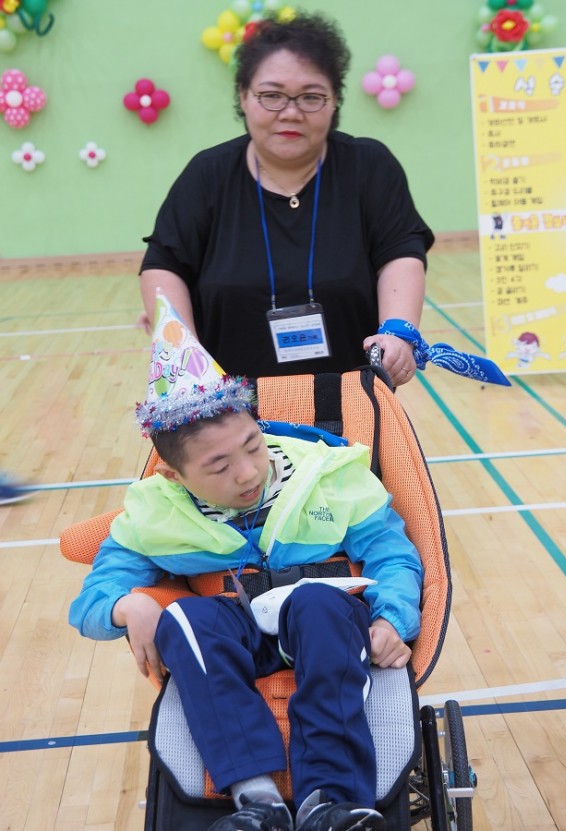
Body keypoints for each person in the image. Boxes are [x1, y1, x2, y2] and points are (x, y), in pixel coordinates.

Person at [70, 292, 424, 831]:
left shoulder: (326, 473)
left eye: (253, 446)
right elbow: (94, 597)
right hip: (234, 629)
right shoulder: (155, 510)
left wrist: (392, 618)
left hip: (326, 619)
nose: (248, 472)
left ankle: (330, 801)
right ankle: (258, 802)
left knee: (316, 603)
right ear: (173, 475)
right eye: (219, 466)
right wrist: (125, 606)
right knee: (183, 617)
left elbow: (392, 553)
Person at [138, 11, 434, 388]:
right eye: (272, 96)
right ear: (244, 97)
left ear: (334, 101)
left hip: (352, 396)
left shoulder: (369, 167)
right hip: (229, 405)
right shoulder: (207, 175)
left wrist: (398, 332)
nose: (291, 112)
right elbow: (164, 266)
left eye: (311, 97)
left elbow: (400, 253)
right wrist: (184, 358)